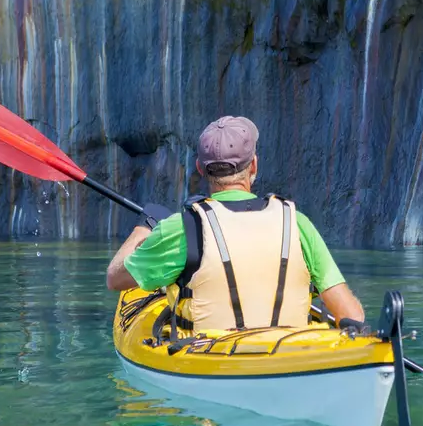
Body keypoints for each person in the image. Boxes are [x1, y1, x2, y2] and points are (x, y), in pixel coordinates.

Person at [106, 116, 366, 330]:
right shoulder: (297, 223)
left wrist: (145, 226)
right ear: (253, 165)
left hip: (210, 361)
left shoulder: (183, 227)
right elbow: (351, 314)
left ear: (199, 168)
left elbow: (115, 279)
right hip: (291, 356)